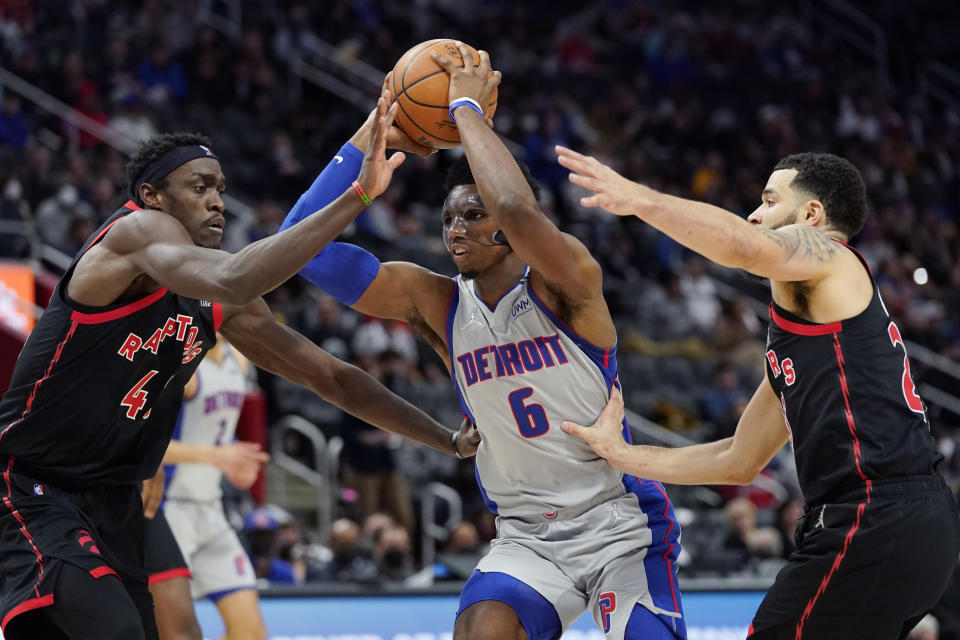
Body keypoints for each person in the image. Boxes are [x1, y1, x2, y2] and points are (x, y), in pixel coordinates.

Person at [0, 91, 479, 640]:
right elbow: (237, 278)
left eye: (221, 189)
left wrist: (446, 439)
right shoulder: (132, 237)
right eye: (199, 187)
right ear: (152, 196)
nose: (217, 202)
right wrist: (358, 196)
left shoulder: (219, 290)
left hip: (117, 500)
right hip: (31, 487)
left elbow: (330, 376)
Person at [280, 47, 684, 640]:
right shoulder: (436, 300)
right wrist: (380, 127)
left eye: (472, 214)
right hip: (524, 533)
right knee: (481, 630)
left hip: (618, 522)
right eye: (448, 218)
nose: (455, 228)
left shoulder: (568, 277)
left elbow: (518, 208)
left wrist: (466, 109)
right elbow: (300, 243)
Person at [555, 147, 960, 639]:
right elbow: (737, 459)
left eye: (769, 201)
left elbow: (743, 246)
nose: (754, 214)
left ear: (812, 215)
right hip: (904, 522)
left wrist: (639, 199)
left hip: (874, 514)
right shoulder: (806, 339)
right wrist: (621, 455)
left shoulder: (832, 258)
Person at [144, 336, 270, 640]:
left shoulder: (239, 356)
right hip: (167, 510)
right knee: (173, 633)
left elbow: (214, 433)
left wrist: (237, 461)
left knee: (250, 633)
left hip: (211, 508)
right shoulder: (180, 362)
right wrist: (217, 457)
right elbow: (142, 443)